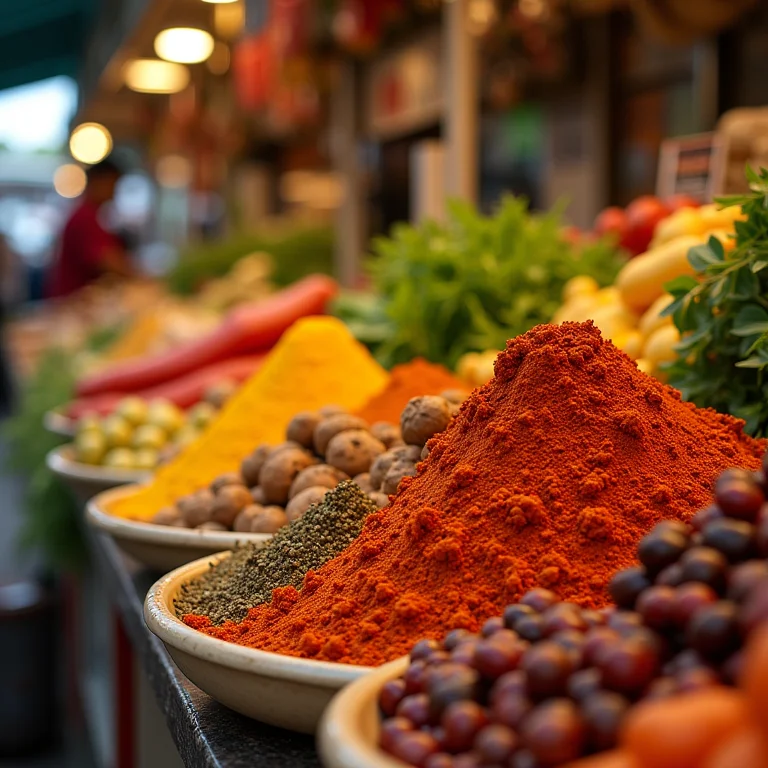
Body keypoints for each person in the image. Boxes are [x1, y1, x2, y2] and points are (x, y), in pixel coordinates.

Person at [47, 158, 132, 298]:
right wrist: (143, 276)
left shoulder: (88, 214)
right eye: (113, 184)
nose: (114, 192)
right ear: (99, 182)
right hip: (71, 302)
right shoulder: (85, 217)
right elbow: (108, 261)